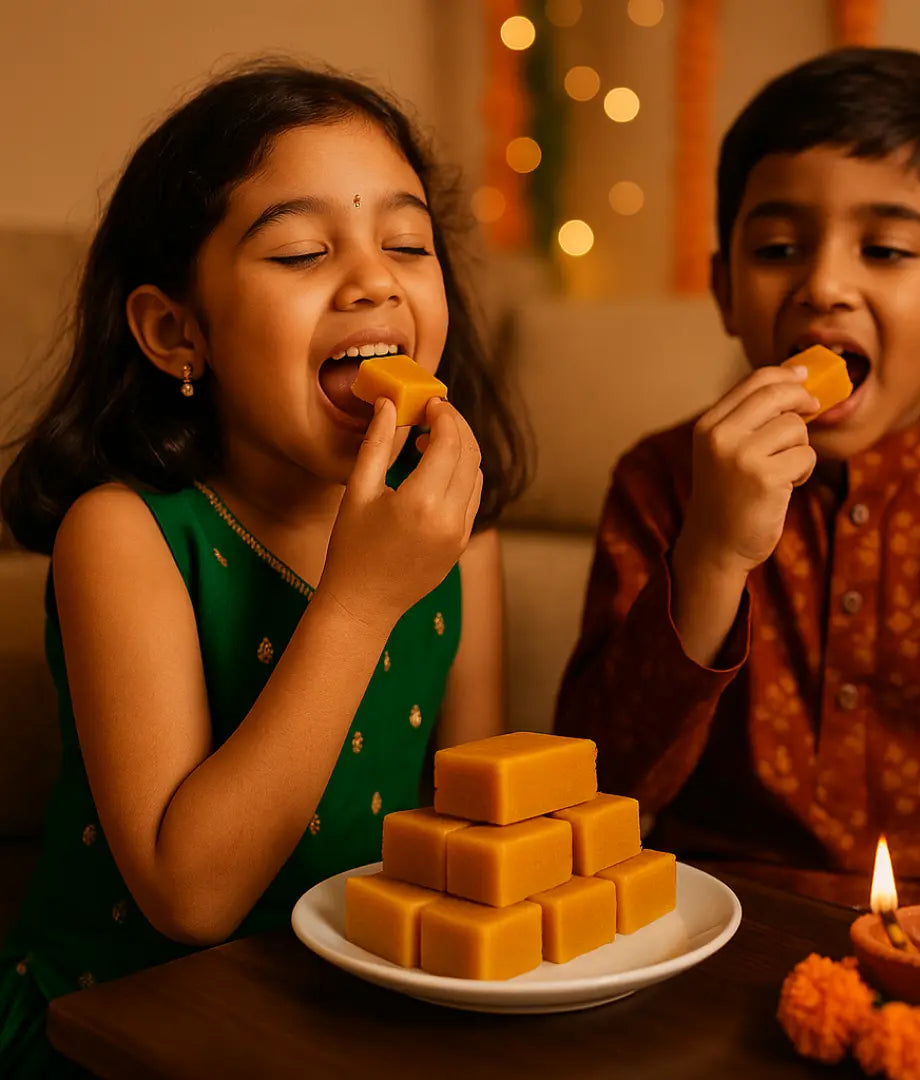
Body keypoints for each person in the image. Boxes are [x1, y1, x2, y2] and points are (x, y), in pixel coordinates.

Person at [0, 61, 528, 1077]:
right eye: (299, 251)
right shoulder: (122, 534)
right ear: (176, 333)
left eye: (408, 244)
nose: (375, 278)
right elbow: (188, 897)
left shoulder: (464, 528)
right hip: (117, 1030)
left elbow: (479, 833)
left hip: (352, 1020)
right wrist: (362, 598)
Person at [555, 47, 920, 943]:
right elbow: (601, 790)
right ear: (725, 288)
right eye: (777, 248)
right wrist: (712, 551)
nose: (825, 285)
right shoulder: (660, 479)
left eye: (885, 249)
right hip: (704, 924)